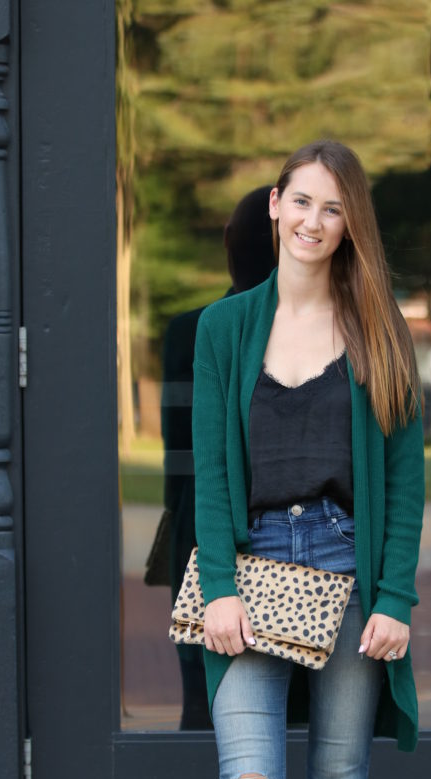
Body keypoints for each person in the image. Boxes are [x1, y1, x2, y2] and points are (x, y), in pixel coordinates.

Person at [191, 140, 425, 779]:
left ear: (348, 223)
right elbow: (210, 468)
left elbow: (403, 481)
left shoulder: (379, 329)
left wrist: (396, 595)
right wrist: (215, 587)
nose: (313, 221)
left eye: (333, 208)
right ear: (276, 205)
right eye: (301, 201)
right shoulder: (225, 328)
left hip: (346, 566)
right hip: (250, 571)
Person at [161, 187, 276, 729]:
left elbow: (176, 451)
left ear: (228, 243)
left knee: (203, 687)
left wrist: (175, 515)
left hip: (197, 520)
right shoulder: (210, 329)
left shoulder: (187, 330)